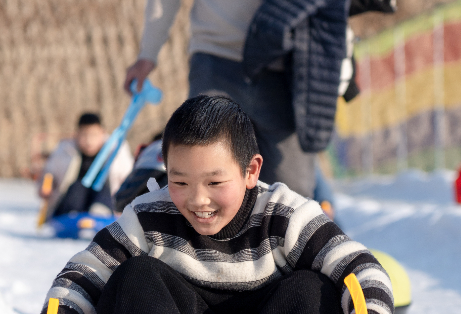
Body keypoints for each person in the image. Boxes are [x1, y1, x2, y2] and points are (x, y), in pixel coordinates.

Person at [26, 95, 394, 314]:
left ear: (251, 170)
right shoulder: (150, 215)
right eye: (180, 182)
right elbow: (86, 271)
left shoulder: (284, 215)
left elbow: (357, 264)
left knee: (314, 288)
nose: (198, 200)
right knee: (132, 276)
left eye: (215, 183)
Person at [123, 0, 351, 199]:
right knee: (204, 171)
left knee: (291, 190)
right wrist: (147, 54)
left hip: (284, 65)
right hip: (215, 55)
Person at [40, 113, 133, 218]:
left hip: (105, 201)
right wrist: (46, 187)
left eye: (93, 135)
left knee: (100, 186)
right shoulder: (65, 150)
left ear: (102, 133)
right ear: (76, 134)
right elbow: (49, 173)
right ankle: (71, 214)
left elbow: (129, 177)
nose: (89, 141)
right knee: (79, 186)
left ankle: (100, 213)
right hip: (71, 201)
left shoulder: (116, 150)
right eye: (84, 135)